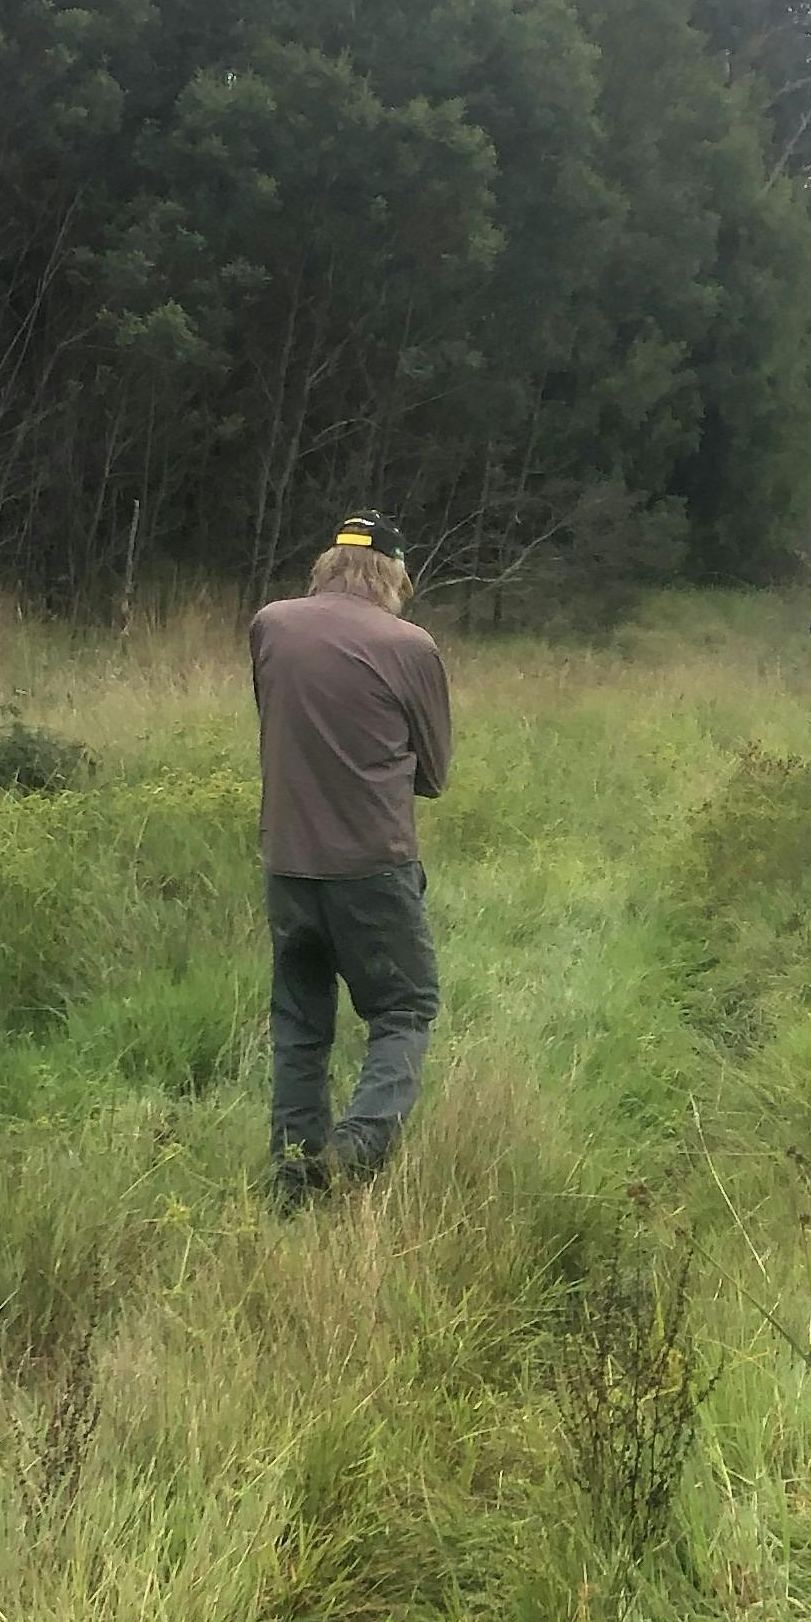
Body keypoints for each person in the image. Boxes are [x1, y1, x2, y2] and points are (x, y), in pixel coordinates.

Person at [248, 514, 452, 1200]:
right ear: (395, 573)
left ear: (326, 564)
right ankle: (360, 1145)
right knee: (404, 1007)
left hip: (287, 863)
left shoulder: (270, 626)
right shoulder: (411, 646)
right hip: (373, 865)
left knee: (301, 1024)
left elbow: (274, 727)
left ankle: (295, 1180)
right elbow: (434, 772)